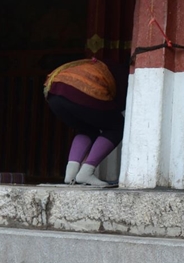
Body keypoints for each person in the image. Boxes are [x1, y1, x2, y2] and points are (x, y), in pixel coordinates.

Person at [44, 57, 127, 186]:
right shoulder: (123, 72)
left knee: (87, 129)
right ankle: (86, 172)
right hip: (82, 91)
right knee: (117, 127)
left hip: (54, 95)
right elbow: (118, 105)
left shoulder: (99, 64)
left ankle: (70, 174)